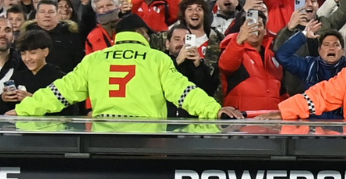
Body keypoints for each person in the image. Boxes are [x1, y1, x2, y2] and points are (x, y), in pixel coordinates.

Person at [15, 14, 236, 120]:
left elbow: (58, 93)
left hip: (105, 142)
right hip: (147, 142)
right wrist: (214, 110)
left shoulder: (95, 59)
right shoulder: (156, 58)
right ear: (141, 34)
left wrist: (21, 110)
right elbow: (184, 93)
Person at [0, 30, 69, 116]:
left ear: (45, 52)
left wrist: (33, 100)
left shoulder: (59, 78)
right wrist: (3, 99)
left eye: (33, 53)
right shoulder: (18, 77)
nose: (27, 58)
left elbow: (70, 110)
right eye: (23, 54)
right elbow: (0, 112)